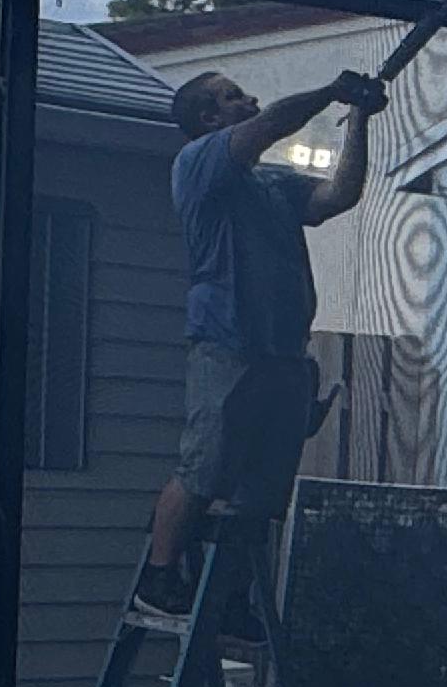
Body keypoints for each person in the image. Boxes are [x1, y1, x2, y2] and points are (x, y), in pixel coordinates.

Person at [133, 57, 389, 625]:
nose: (247, 101)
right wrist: (331, 88)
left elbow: (338, 196)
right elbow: (273, 123)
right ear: (208, 117)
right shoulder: (198, 163)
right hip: (227, 343)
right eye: (234, 97)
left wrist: (360, 119)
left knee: (261, 493)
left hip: (282, 352)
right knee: (203, 467)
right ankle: (160, 576)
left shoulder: (271, 184)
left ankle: (226, 599)